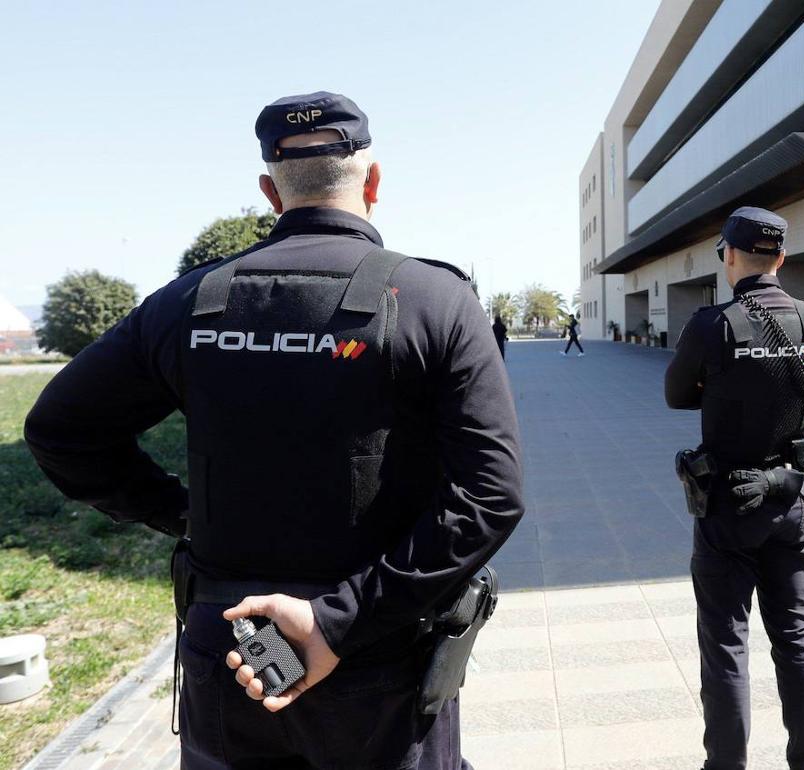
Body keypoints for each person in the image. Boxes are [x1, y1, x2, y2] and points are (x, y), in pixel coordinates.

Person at [23, 91, 524, 770]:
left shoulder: (189, 303)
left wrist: (180, 512)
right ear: (372, 181)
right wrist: (337, 622)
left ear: (269, 190)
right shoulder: (436, 302)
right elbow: (489, 495)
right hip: (377, 663)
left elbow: (60, 430)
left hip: (231, 653)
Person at [665, 207, 804, 770]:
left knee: (727, 647)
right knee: (796, 637)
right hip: (791, 496)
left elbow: (677, 394)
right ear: (780, 257)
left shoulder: (713, 325)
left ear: (729, 257)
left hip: (729, 505)